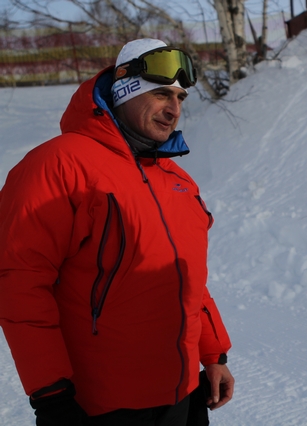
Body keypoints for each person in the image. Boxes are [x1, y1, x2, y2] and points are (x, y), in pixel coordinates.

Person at [0, 38, 233, 425]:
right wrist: (51, 393)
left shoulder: (177, 179)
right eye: (161, 94)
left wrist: (213, 355)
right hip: (102, 406)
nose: (173, 109)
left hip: (182, 396)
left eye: (181, 97)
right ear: (124, 90)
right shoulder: (58, 166)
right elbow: (19, 283)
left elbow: (188, 280)